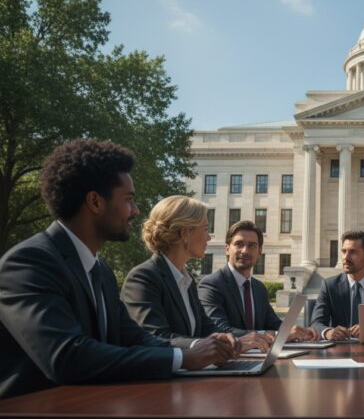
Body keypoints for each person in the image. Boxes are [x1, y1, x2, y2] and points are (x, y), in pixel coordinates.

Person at [0, 140, 233, 399]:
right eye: (129, 199)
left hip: (92, 404)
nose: (135, 210)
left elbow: (134, 337)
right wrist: (183, 357)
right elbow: (67, 356)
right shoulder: (29, 262)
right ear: (95, 202)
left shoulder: (101, 271)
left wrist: (198, 351)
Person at [122, 196, 270, 352]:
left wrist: (237, 341)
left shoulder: (187, 281)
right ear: (185, 232)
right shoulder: (143, 278)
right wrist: (206, 345)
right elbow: (155, 337)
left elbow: (207, 329)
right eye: (205, 229)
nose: (208, 237)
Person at [198, 220, 319, 341]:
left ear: (259, 251)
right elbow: (219, 329)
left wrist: (297, 331)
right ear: (227, 249)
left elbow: (273, 324)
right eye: (239, 244)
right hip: (231, 357)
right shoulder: (211, 285)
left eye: (252, 245)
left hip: (262, 355)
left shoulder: (259, 288)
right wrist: (276, 335)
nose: (245, 251)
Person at [310, 230, 364, 340]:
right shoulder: (329, 285)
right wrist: (328, 332)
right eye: (344, 251)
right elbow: (316, 323)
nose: (346, 257)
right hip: (338, 351)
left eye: (352, 252)